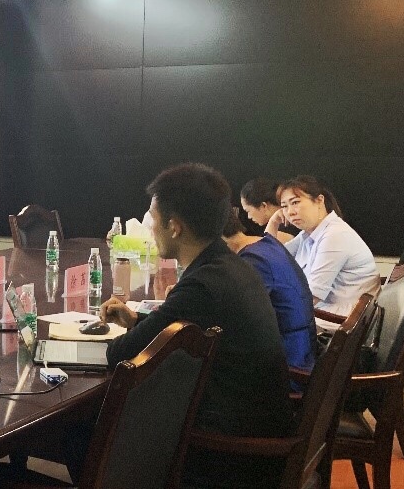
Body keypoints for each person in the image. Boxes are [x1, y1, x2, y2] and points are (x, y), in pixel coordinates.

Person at [99, 164, 292, 487]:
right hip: (262, 432)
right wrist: (137, 320)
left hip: (232, 455)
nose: (151, 229)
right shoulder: (230, 265)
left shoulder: (200, 285)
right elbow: (181, 325)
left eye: (153, 220)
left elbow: (120, 354)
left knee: (88, 430)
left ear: (174, 227)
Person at [268, 175, 379, 318]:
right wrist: (273, 222)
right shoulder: (308, 233)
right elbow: (271, 258)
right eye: (284, 206)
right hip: (324, 313)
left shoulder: (334, 235)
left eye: (295, 202)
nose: (290, 212)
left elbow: (312, 297)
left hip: (338, 320)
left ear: (319, 200)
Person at [221, 208, 316, 371]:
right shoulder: (266, 244)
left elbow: (239, 319)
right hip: (303, 349)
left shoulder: (252, 260)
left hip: (290, 365)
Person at [239, 177, 295, 244]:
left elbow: (267, 248)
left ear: (263, 205)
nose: (249, 216)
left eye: (248, 211)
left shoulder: (281, 234)